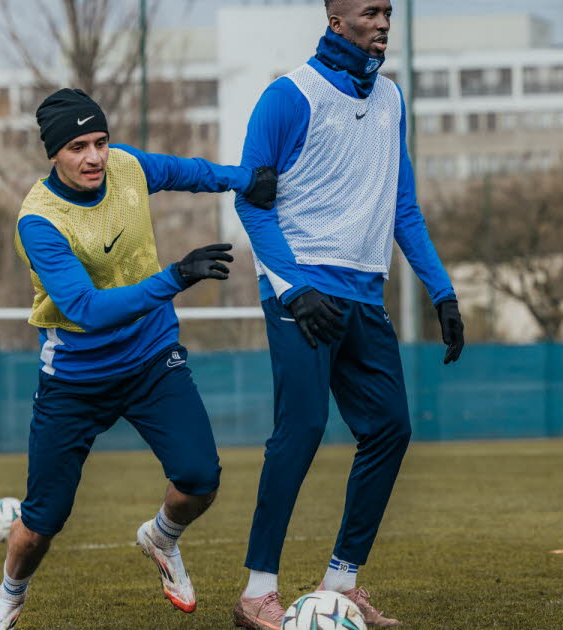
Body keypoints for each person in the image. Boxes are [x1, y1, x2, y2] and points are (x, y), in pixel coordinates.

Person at [0, 88, 278, 630]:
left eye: (100, 140)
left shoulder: (126, 166)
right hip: (75, 378)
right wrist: (175, 277)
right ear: (53, 153)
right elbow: (87, 310)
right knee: (43, 520)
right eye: (76, 146)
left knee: (200, 477)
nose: (94, 156)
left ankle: (161, 536)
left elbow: (184, 171)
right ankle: (10, 595)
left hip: (150, 357)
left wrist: (243, 178)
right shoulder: (39, 221)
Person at [229, 1, 465, 628]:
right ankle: (257, 591)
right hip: (302, 294)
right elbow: (252, 205)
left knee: (391, 429)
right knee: (301, 430)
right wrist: (289, 288)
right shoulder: (288, 96)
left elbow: (403, 207)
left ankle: (343, 581)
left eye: (389, 11)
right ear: (337, 21)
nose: (384, 22)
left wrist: (441, 291)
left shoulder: (390, 100)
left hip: (365, 295)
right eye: (370, 12)